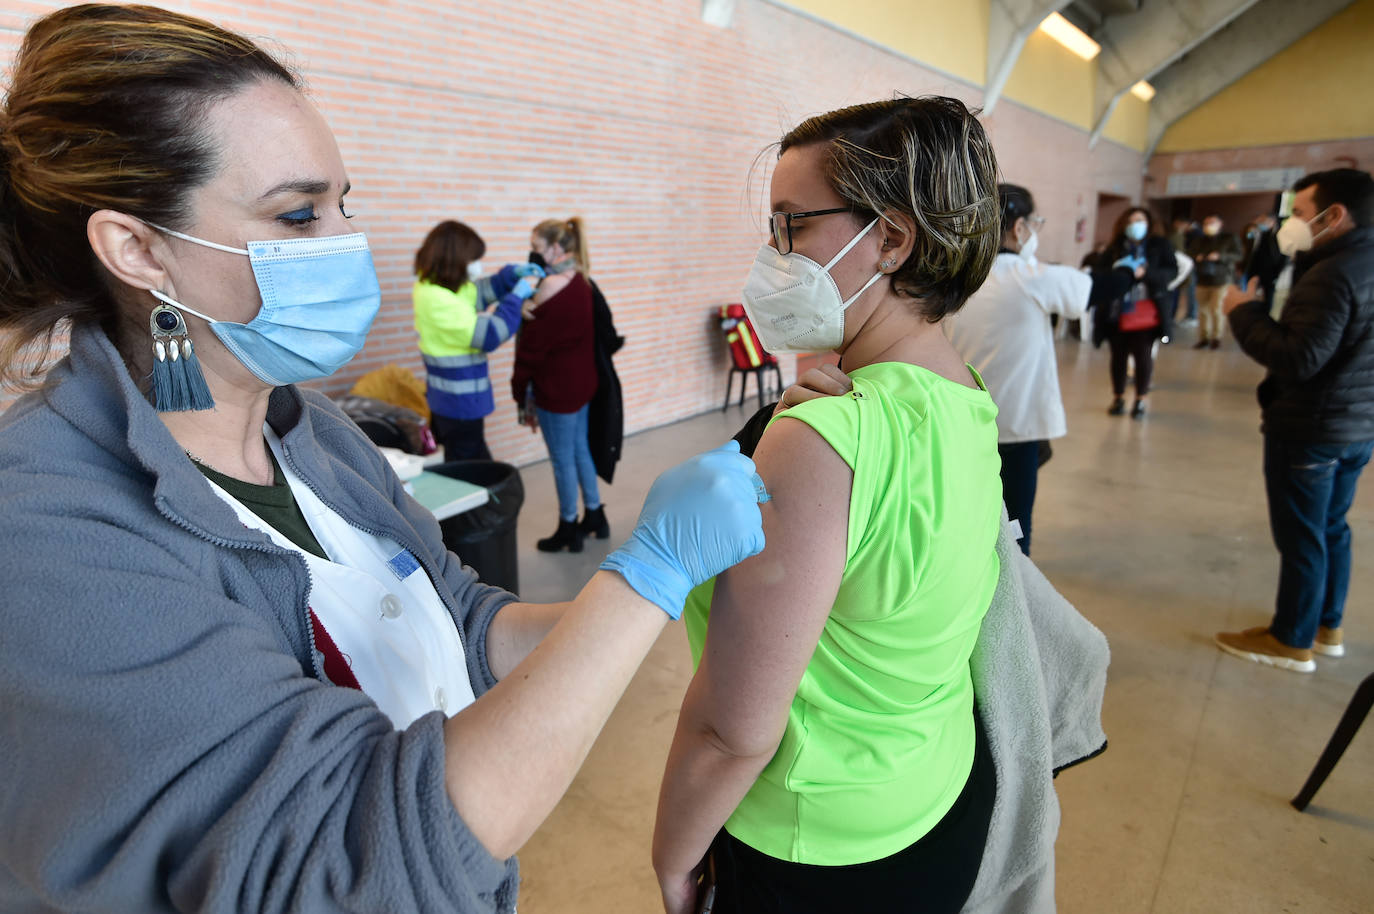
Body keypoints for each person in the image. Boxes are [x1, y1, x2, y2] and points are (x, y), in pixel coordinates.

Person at [0, 6, 768, 911]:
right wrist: (642, 579)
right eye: (296, 214)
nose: (344, 243)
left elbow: (466, 625)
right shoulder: (48, 534)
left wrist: (649, 599)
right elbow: (346, 865)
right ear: (138, 249)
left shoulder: (313, 435)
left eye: (341, 204)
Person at [652, 96, 1004, 914]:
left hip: (818, 844)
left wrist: (673, 856)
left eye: (792, 224)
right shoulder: (961, 391)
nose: (772, 254)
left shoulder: (823, 438)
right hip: (934, 793)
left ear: (889, 237)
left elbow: (732, 729)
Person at [1215, 168, 1374, 672]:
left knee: (1303, 535)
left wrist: (1244, 311)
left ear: (1335, 216)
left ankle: (1292, 638)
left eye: (1300, 213)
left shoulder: (1332, 273)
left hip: (1312, 429)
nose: (1292, 223)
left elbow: (1297, 357)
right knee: (1332, 528)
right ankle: (1327, 625)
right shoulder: (1362, 262)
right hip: (1356, 425)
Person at [945, 183, 1091, 556]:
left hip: (963, 419)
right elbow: (1084, 292)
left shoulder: (957, 276)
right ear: (1018, 227)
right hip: (1016, 425)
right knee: (1015, 521)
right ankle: (1015, 592)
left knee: (970, 512)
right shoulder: (1030, 275)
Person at [512, 217, 607, 553]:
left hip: (557, 390)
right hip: (581, 384)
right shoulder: (580, 278)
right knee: (579, 450)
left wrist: (518, 387)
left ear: (554, 248)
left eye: (537, 247)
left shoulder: (550, 286)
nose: (532, 254)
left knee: (562, 460)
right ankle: (595, 515)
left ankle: (569, 526)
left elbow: (531, 350)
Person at [412, 220, 542, 461]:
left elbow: (477, 292)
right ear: (456, 259)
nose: (477, 267)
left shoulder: (438, 286)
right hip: (457, 403)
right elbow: (489, 335)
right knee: (471, 466)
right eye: (474, 260)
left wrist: (510, 275)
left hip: (453, 401)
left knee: (470, 459)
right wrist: (515, 299)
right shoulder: (437, 299)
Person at [1090, 207, 1177, 419]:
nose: (1134, 225)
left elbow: (1170, 272)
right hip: (1116, 312)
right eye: (1130, 221)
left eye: (1139, 220)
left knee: (1143, 357)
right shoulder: (1115, 248)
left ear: (1148, 222)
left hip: (1146, 312)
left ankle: (1140, 399)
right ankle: (1118, 396)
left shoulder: (1159, 246)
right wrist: (1119, 272)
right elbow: (1099, 274)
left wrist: (1146, 273)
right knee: (1118, 357)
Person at [1186, 214, 1243, 349]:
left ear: (1220, 224)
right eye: (1206, 223)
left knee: (1216, 308)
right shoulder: (1200, 240)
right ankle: (1204, 337)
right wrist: (1197, 256)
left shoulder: (1229, 238)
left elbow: (1238, 255)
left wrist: (1220, 256)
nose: (1208, 226)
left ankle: (1216, 337)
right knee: (1203, 310)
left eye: (1212, 223)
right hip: (1203, 278)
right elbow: (1190, 252)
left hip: (1222, 278)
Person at [1243, 212, 1288, 307]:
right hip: (1253, 270)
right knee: (1250, 295)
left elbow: (1284, 256)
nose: (1261, 223)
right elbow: (1247, 243)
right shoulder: (1258, 233)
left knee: (1268, 298)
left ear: (1272, 222)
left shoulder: (1280, 235)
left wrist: (1277, 273)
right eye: (1260, 221)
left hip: (1270, 273)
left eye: (1264, 221)